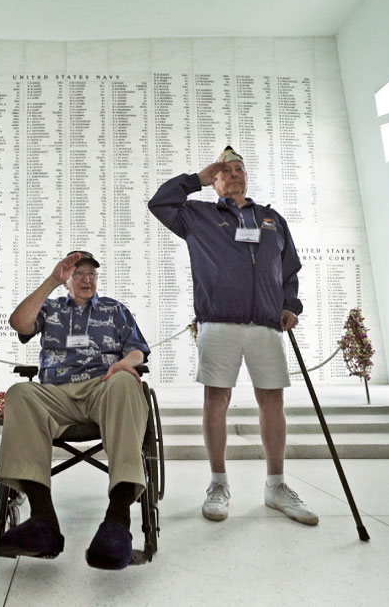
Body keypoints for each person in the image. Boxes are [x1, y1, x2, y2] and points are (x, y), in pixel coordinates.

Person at [148, 145, 318, 526]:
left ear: (247, 176)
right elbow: (159, 203)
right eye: (225, 171)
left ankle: (276, 486)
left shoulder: (272, 219)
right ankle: (218, 483)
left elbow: (289, 269)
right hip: (219, 323)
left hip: (266, 325)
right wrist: (196, 179)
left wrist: (290, 305)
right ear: (215, 181)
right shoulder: (199, 215)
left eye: (239, 169)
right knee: (216, 399)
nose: (233, 174)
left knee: (272, 401)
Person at [0, 251, 150, 571]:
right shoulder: (50, 309)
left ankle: (117, 521)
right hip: (57, 394)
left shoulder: (114, 309)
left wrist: (126, 363)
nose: (86, 279)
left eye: (91, 273)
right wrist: (51, 281)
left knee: (126, 382)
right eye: (78, 273)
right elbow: (19, 323)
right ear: (67, 279)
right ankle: (43, 521)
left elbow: (138, 350)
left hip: (103, 389)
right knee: (20, 394)